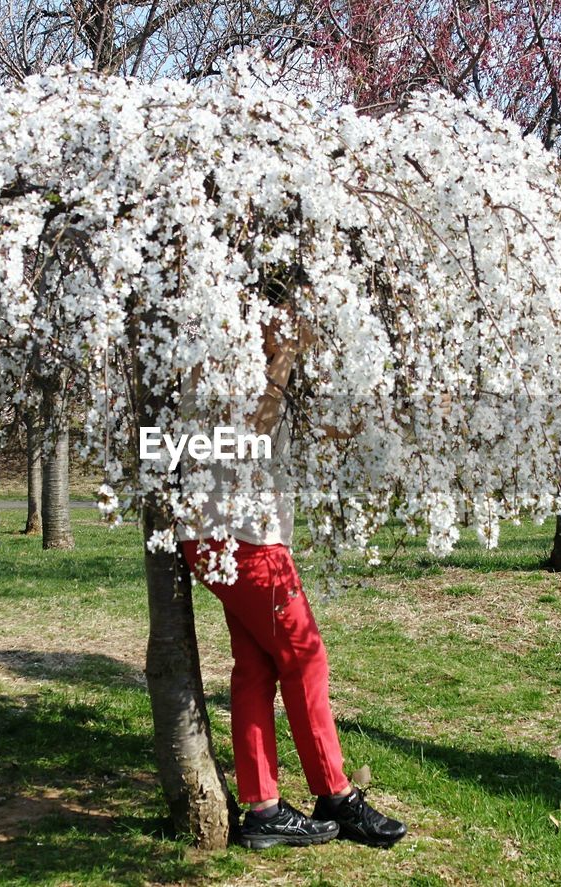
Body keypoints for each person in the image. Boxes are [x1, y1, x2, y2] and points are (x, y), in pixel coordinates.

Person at [178, 309, 407, 852]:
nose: (279, 329)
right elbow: (249, 436)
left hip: (230, 537)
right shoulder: (213, 366)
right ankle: (335, 794)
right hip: (240, 540)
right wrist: (285, 356)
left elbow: (299, 431)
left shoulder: (260, 377)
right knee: (306, 657)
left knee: (256, 668)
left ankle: (263, 810)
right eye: (269, 319)